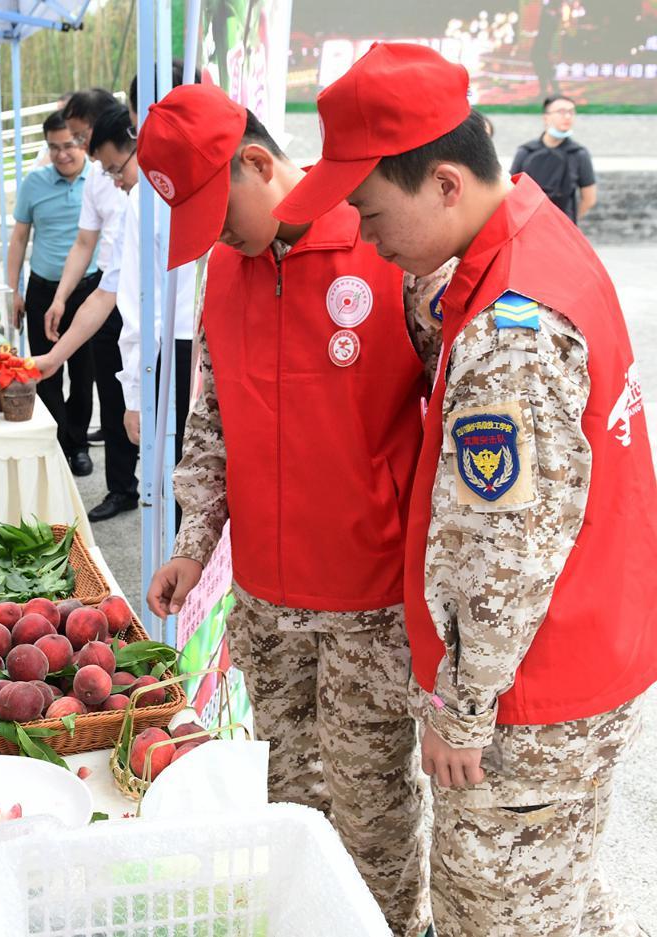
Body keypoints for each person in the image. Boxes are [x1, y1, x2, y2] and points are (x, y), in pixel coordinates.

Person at [274, 42, 657, 936]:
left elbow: (505, 554)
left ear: (445, 183)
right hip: (579, 653)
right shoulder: (528, 244)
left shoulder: (511, 330)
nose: (367, 239)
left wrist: (462, 709)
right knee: (552, 895)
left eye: (371, 214)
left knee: (493, 911)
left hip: (531, 688)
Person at [139, 83, 441, 937]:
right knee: (289, 805)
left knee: (372, 822)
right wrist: (194, 545)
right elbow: (214, 422)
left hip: (368, 608)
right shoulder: (226, 271)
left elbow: (465, 423)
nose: (219, 238)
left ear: (260, 163)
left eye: (220, 211)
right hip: (268, 607)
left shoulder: (387, 252)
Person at [31, 103, 198, 519]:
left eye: (114, 168)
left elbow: (140, 316)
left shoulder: (153, 195)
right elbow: (109, 292)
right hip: (173, 348)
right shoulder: (140, 199)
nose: (114, 180)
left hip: (183, 347)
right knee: (178, 479)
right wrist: (56, 356)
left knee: (187, 477)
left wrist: (138, 396)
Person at [46, 90, 132, 519]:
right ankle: (122, 486)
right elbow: (85, 242)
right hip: (108, 288)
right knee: (112, 395)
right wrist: (61, 296)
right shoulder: (102, 176)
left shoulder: (145, 185)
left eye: (81, 136)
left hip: (147, 303)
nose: (78, 148)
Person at [8, 111, 98, 476]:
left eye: (70, 146)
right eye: (54, 148)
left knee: (83, 373)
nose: (63, 154)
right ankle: (56, 443)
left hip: (88, 292)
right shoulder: (34, 183)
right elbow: (19, 238)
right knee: (45, 369)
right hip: (43, 290)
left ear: (82, 142)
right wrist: (14, 289)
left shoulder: (100, 179)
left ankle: (78, 444)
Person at [510, 94, 597, 225]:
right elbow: (510, 191)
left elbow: (589, 199)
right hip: (527, 225)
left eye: (571, 112)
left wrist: (569, 221)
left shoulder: (579, 154)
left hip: (562, 226)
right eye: (561, 112)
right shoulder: (525, 152)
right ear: (546, 117)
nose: (567, 116)